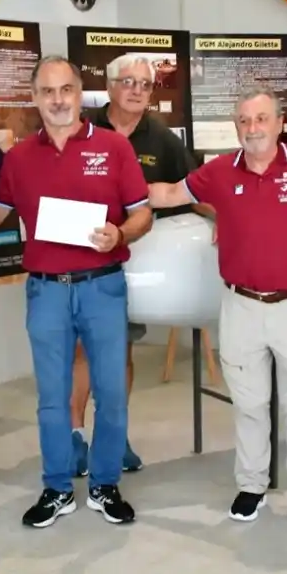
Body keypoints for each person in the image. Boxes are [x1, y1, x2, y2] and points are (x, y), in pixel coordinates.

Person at [148, 88, 287, 525]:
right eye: (244, 121)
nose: (253, 128)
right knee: (249, 402)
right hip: (240, 305)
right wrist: (105, 188)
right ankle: (251, 484)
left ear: (280, 123)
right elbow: (168, 193)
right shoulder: (219, 172)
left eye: (261, 119)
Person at [0, 55, 152, 528]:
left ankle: (104, 485)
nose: (57, 100)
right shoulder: (18, 158)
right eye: (47, 92)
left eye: (66, 90)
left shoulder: (114, 148)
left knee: (112, 392)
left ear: (80, 95)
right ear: (35, 99)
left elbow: (142, 213)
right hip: (47, 293)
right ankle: (57, 487)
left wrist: (120, 234)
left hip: (103, 287)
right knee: (53, 396)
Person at [72, 53, 196, 474]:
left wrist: (225, 222)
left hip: (130, 266)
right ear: (109, 87)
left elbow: (192, 192)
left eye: (145, 84)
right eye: (129, 82)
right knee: (79, 354)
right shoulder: (79, 127)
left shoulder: (164, 141)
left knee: (118, 355)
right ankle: (73, 437)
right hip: (75, 259)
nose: (138, 90)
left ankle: (114, 436)